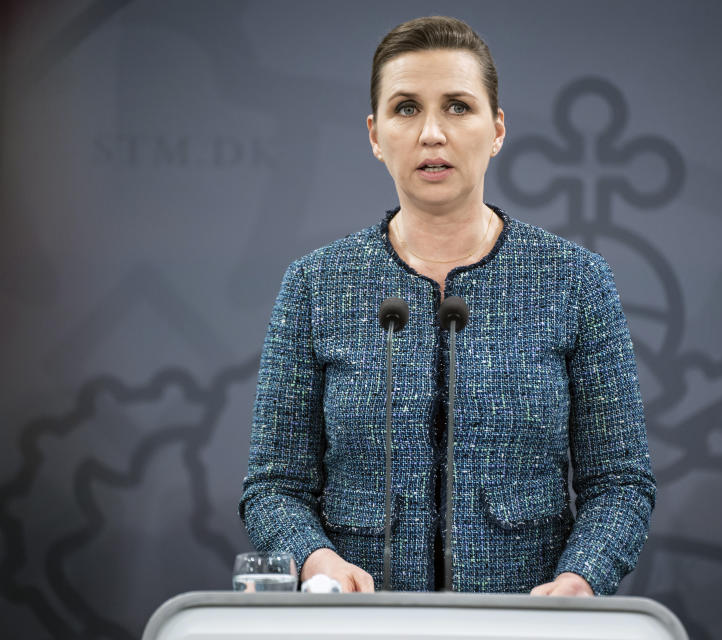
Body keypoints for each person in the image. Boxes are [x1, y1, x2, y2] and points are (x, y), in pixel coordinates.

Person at [239, 16, 655, 596]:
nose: (432, 133)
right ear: (374, 134)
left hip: (525, 625)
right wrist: (315, 560)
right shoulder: (315, 285)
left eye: (458, 107)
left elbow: (620, 482)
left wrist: (580, 577)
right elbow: (273, 486)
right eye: (406, 108)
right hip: (360, 626)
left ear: (498, 129)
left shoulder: (575, 280)